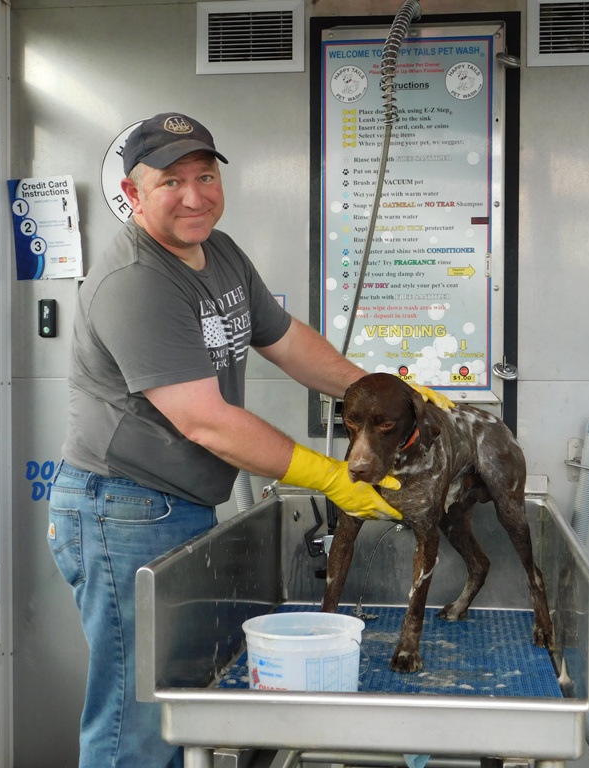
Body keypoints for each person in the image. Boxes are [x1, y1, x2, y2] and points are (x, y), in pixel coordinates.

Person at [48, 112, 450, 768]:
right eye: (171, 181)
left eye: (205, 176)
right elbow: (205, 421)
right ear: (132, 194)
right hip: (119, 509)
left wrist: (381, 390)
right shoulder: (137, 282)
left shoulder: (221, 253)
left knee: (171, 698)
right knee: (135, 717)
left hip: (174, 504)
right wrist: (329, 476)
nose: (194, 196)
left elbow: (286, 341)